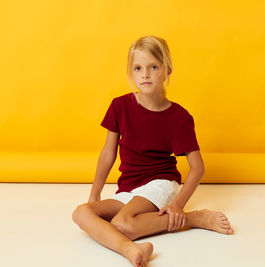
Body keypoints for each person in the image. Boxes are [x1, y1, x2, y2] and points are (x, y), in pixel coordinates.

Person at [72, 35, 233, 267]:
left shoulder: (179, 118)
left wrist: (178, 204)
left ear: (167, 70)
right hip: (129, 187)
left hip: (161, 183)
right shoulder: (120, 106)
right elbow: (108, 154)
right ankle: (130, 248)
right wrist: (95, 193)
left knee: (122, 223)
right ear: (131, 72)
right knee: (81, 213)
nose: (145, 74)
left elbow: (198, 168)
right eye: (138, 68)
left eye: (153, 67)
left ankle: (191, 218)